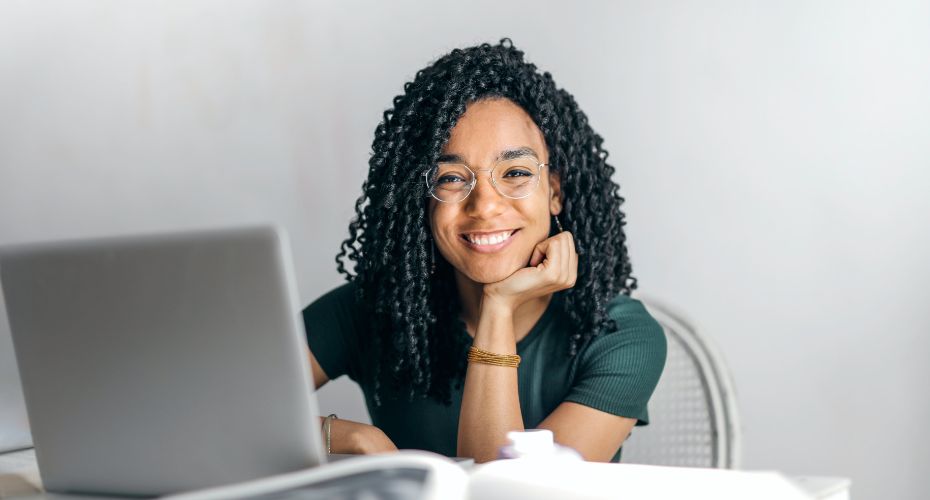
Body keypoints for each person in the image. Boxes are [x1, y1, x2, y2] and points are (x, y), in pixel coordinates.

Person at [302, 39, 666, 463]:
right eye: (452, 178)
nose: (486, 206)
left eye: (515, 172)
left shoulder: (619, 336)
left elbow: (507, 492)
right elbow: (216, 409)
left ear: (555, 191)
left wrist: (498, 306)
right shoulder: (373, 308)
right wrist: (351, 437)